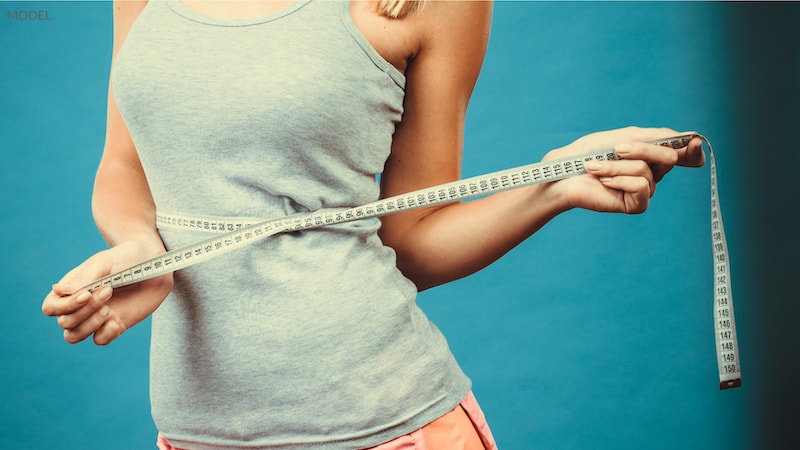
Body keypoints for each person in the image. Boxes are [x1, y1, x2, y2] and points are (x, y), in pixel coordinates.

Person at [41, 0, 705, 449]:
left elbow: (412, 239)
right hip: (195, 428)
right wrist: (141, 249)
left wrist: (550, 188)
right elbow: (122, 166)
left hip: (391, 427)